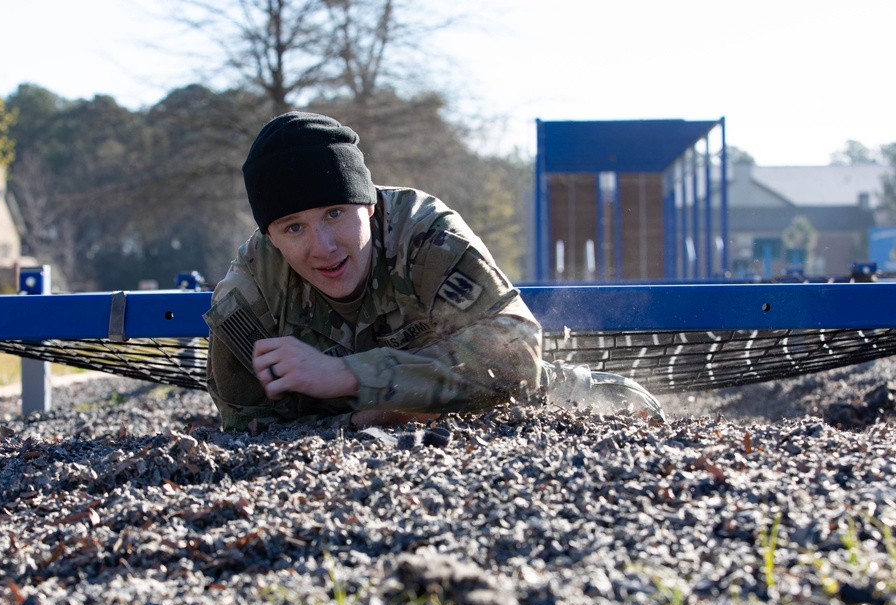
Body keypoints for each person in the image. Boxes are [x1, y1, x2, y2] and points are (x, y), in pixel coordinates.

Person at [204, 111, 662, 432]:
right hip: (372, 430)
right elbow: (247, 427)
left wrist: (350, 376)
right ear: (271, 236)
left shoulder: (424, 235)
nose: (322, 246)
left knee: (633, 411)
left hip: (511, 402)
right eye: (294, 226)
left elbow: (517, 354)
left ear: (367, 204)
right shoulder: (248, 294)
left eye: (335, 213)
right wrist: (360, 421)